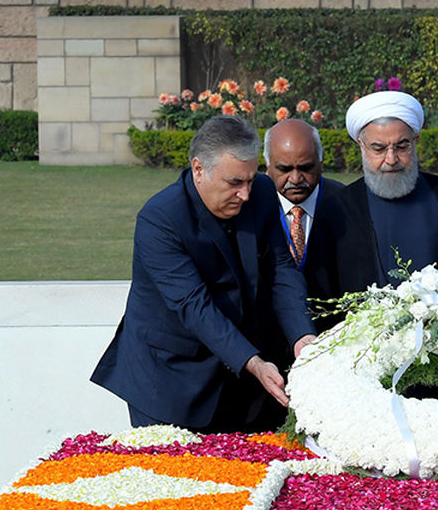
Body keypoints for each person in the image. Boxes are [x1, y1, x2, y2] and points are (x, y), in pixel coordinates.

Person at [91, 115, 317, 432]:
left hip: (246, 384)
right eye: (234, 183)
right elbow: (193, 306)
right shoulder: (159, 219)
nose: (246, 194)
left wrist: (302, 336)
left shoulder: (263, 193)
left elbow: (281, 268)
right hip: (172, 382)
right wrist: (253, 363)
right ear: (199, 170)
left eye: (251, 180)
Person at [313, 90, 438, 297]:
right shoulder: (338, 210)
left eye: (402, 146)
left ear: (415, 140)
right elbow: (323, 293)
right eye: (379, 148)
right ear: (361, 145)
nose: (391, 158)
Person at [263, 118, 345, 299]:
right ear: (267, 165)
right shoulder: (250, 204)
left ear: (321, 161)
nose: (296, 179)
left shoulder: (345, 203)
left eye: (306, 168)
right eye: (285, 169)